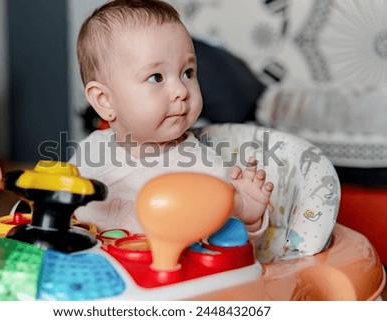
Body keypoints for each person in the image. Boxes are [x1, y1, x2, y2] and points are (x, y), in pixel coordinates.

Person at [70, 0, 273, 239]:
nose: (181, 90)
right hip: (95, 271)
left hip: (176, 274)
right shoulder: (89, 154)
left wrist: (245, 213)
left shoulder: (205, 169)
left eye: (187, 73)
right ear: (105, 100)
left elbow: (229, 249)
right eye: (156, 77)